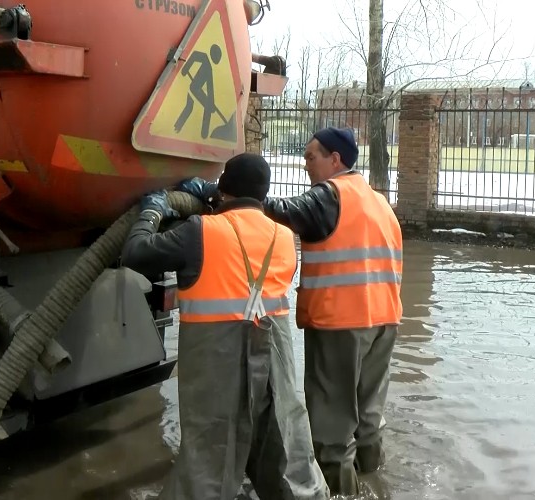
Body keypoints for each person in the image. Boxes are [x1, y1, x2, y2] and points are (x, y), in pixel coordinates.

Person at [177, 127, 403, 496]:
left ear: (336, 160)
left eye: (311, 156)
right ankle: (375, 482)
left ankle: (334, 492)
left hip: (342, 323)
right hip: (386, 321)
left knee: (331, 431)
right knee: (368, 421)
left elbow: (275, 211)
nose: (305, 163)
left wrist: (219, 195)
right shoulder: (377, 201)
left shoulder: (330, 195)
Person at [121, 153, 330, 500]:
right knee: (281, 441)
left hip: (215, 355)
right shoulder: (283, 236)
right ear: (264, 192)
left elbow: (136, 253)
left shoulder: (198, 231)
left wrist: (152, 210)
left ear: (223, 189)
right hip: (274, 355)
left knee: (210, 449)